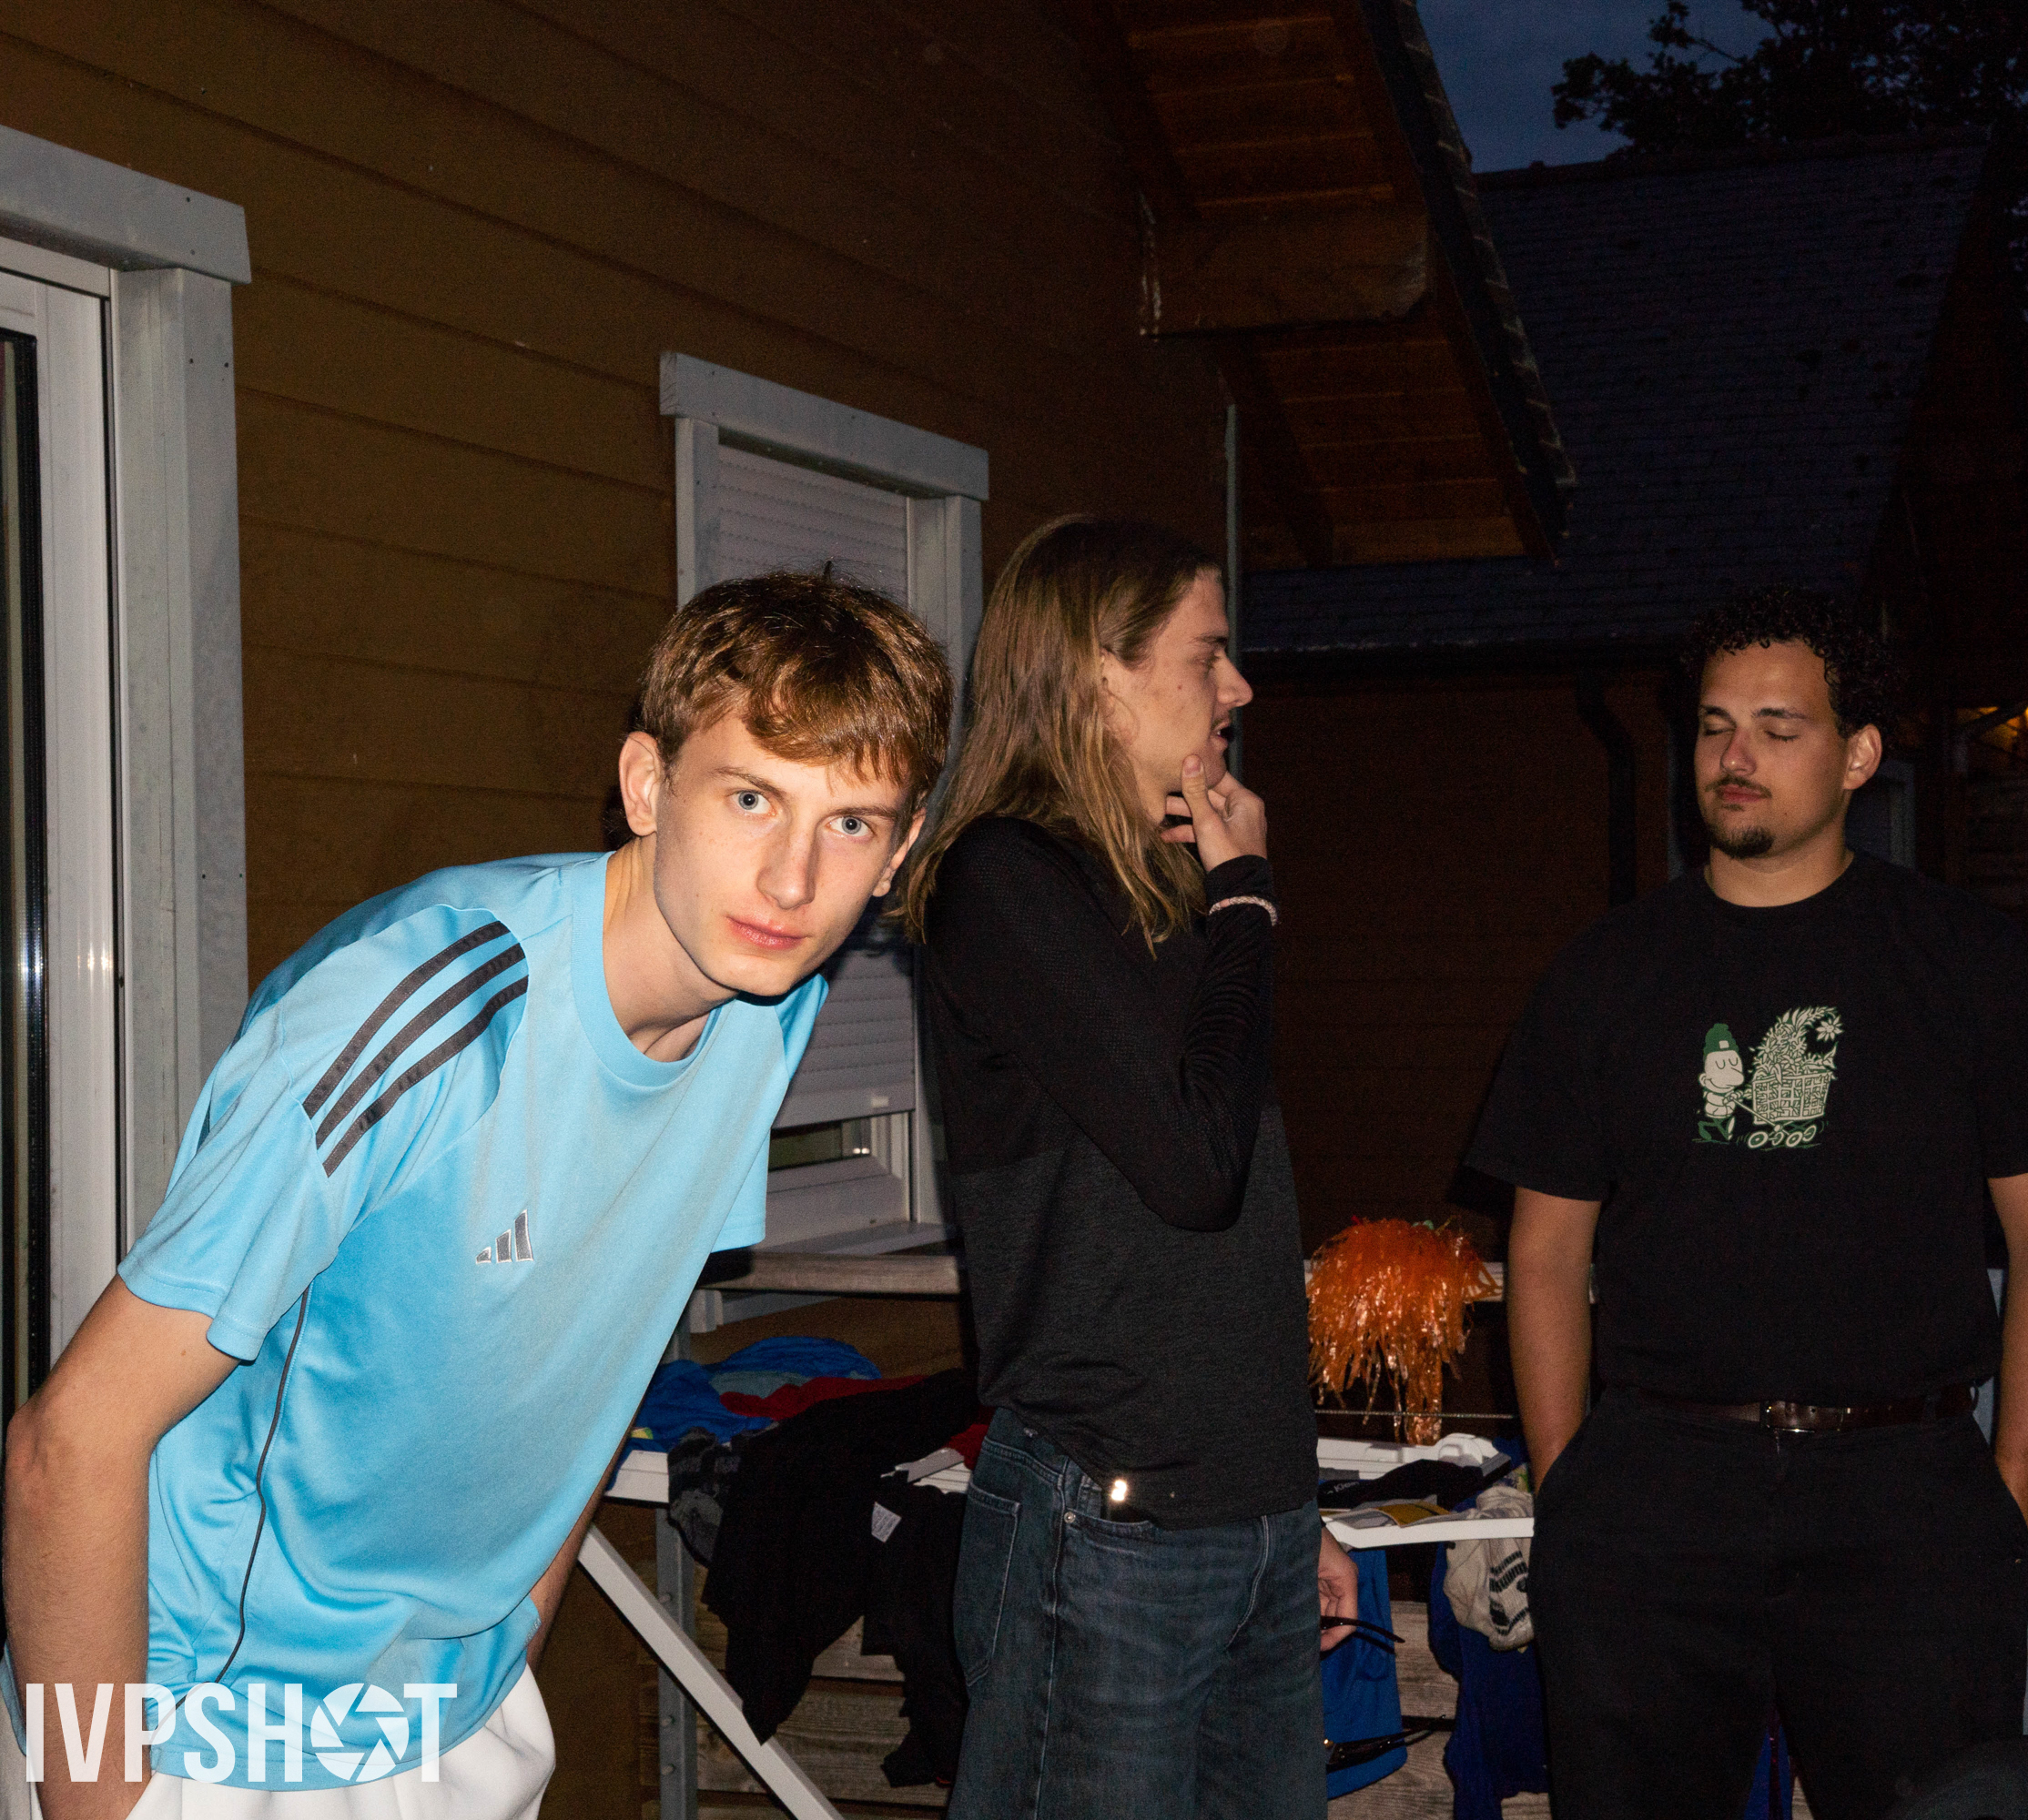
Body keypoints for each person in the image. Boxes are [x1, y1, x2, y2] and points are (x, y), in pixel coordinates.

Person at [0, 572, 954, 1820]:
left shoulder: (765, 1006)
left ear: (901, 851)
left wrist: (517, 1634)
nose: (791, 880)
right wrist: (96, 1800)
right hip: (215, 1728)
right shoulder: (426, 1007)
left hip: (452, 1714)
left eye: (851, 824)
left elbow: (602, 1344)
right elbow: (68, 1443)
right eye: (751, 798)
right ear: (648, 786)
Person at [1470, 587, 2028, 1820]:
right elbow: (1542, 1254)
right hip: (1653, 1496)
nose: (1734, 755)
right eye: (1713, 726)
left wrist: (2007, 1495)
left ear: (1859, 755)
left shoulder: (1970, 961)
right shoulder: (1604, 973)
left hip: (1907, 1498)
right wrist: (1571, 1486)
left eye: (1776, 726)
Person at [898, 516, 1352, 1820]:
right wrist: (1248, 898)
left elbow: (1225, 1240)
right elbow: (1195, 1170)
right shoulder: (1002, 878)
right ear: (1102, 672)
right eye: (1208, 656)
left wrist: (1288, 1501)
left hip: (1247, 1518)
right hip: (1109, 1530)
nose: (1238, 689)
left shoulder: (1168, 882)